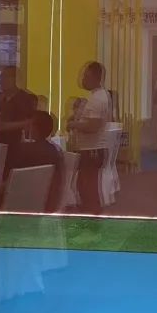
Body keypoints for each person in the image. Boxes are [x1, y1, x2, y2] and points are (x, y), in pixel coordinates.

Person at [67, 61, 112, 214]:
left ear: (94, 77)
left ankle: (92, 216)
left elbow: (93, 126)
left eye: (86, 76)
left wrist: (74, 124)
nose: (83, 80)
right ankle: (90, 214)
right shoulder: (98, 95)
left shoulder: (98, 99)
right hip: (91, 148)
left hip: (92, 149)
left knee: (88, 188)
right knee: (85, 185)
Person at [0, 110, 64, 212]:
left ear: (34, 128)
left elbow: (10, 182)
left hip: (20, 202)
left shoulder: (23, 150)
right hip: (46, 202)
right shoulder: (54, 151)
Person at [0, 66, 37, 146]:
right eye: (1, 77)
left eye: (5, 77)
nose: (1, 81)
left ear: (15, 79)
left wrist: (6, 126)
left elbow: (30, 122)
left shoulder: (25, 99)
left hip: (17, 145)